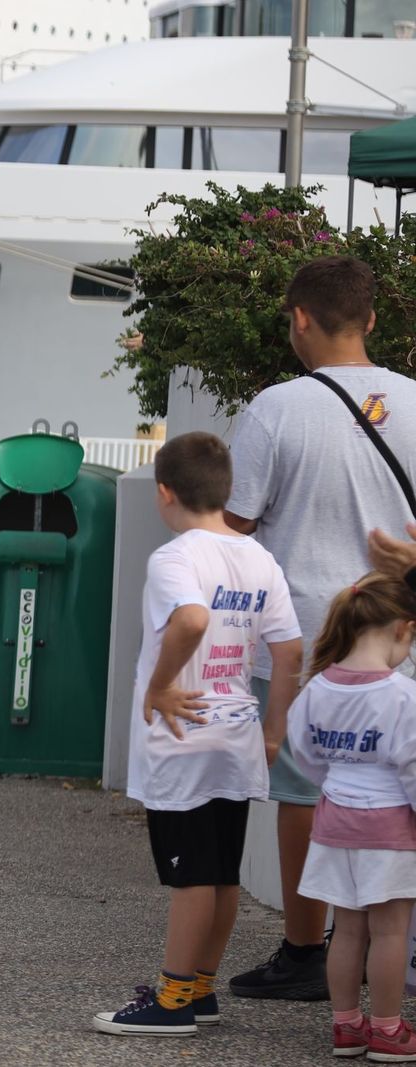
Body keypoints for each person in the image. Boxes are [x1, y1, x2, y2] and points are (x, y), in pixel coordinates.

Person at [225, 256, 416, 1000]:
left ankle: (307, 952)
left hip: (306, 640)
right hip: (401, 636)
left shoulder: (276, 408)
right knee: (400, 782)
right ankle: (394, 943)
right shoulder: (415, 400)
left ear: (300, 317)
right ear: (370, 319)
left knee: (305, 791)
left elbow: (233, 527)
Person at [93, 431, 303, 1038]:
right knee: (221, 872)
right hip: (236, 732)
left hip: (183, 740)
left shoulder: (176, 557)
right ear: (225, 491)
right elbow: (288, 650)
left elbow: (190, 618)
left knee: (190, 877)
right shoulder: (258, 556)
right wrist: (273, 729)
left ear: (164, 493)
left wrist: (160, 686)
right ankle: (201, 990)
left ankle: (171, 1000)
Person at [288, 573, 416, 1060]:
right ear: (403, 629)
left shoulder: (317, 688)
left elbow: (306, 756)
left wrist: (337, 785)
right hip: (389, 828)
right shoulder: (403, 696)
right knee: (389, 933)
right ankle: (388, 1031)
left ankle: (347, 1027)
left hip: (334, 823)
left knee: (346, 930)